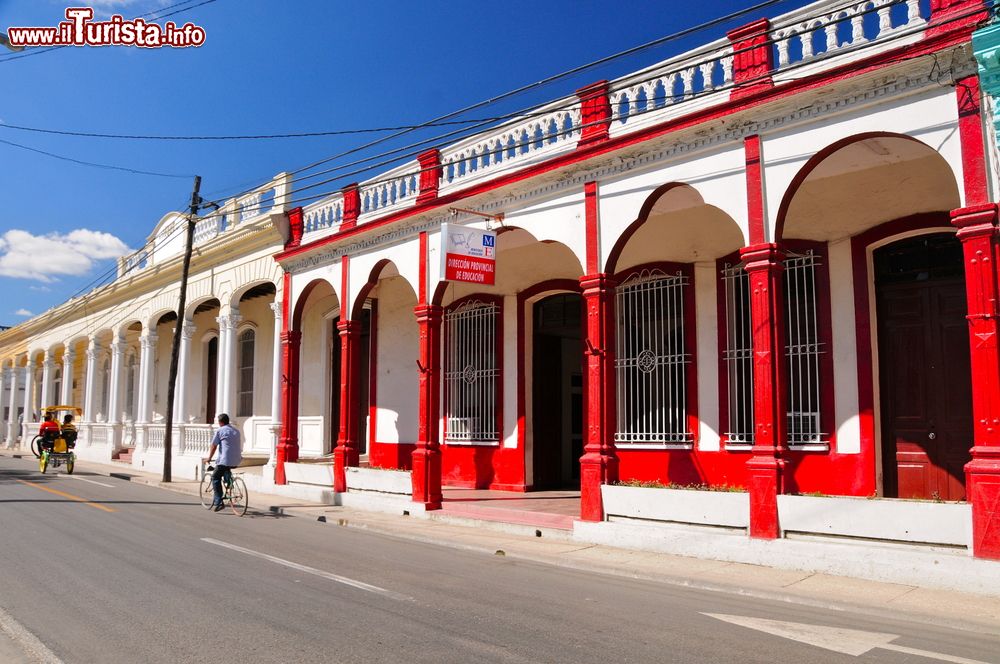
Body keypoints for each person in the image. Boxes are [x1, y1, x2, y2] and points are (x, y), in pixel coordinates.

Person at [203, 413, 242, 512]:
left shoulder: (220, 430)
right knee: (225, 468)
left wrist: (209, 458)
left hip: (225, 460)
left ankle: (219, 502)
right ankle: (229, 483)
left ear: (220, 422)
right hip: (237, 459)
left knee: (215, 477)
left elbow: (214, 446)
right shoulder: (236, 431)